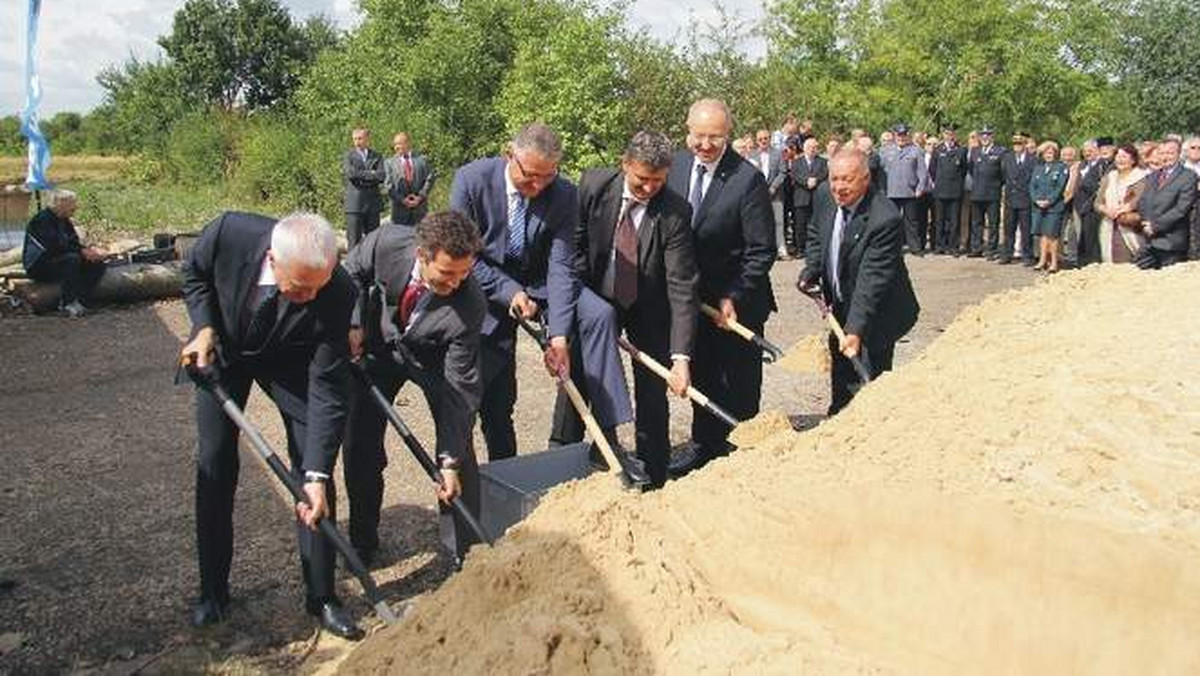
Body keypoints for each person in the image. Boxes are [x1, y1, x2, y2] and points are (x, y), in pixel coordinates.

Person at [179, 211, 362, 639]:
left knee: (315, 469)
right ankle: (213, 592)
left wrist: (316, 473)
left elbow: (328, 387)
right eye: (299, 287)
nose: (309, 295)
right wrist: (203, 326)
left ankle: (322, 597)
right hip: (224, 348)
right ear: (272, 260)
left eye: (318, 286)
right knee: (215, 461)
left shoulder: (337, 291)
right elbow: (194, 273)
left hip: (291, 358)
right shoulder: (228, 233)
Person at [550, 131, 699, 487]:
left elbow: (681, 285)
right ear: (625, 164)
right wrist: (578, 310)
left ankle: (654, 474)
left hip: (649, 304)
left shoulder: (676, 210)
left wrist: (680, 358)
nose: (649, 188)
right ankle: (567, 457)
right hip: (595, 295)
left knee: (652, 388)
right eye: (641, 179)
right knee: (584, 374)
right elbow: (574, 248)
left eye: (658, 181)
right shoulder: (593, 186)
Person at [341, 211, 485, 565]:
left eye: (464, 273)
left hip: (432, 361)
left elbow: (460, 389)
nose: (456, 283)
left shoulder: (469, 304)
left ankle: (464, 553)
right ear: (423, 255)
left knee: (460, 452)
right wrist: (354, 322)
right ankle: (362, 541)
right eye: (447, 273)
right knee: (359, 443)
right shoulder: (385, 243)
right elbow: (349, 275)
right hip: (377, 351)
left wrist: (448, 459)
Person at [449, 123, 583, 462]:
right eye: (530, 175)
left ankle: (504, 477)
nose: (537, 186)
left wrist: (559, 338)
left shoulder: (564, 194)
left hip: (528, 296)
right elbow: (462, 256)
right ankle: (461, 485)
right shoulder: (470, 181)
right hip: (473, 301)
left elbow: (561, 266)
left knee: (500, 405)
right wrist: (508, 291)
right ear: (510, 154)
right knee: (464, 406)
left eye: (547, 176)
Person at [666, 98, 775, 476]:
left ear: (728, 136)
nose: (706, 145)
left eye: (715, 137)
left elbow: (760, 251)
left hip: (735, 300)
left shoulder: (747, 179)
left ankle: (742, 451)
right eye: (699, 136)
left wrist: (735, 295)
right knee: (704, 372)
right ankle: (705, 448)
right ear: (687, 131)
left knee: (738, 380)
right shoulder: (675, 167)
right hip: (692, 300)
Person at [798, 148, 919, 415]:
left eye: (847, 180)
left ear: (866, 179)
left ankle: (871, 430)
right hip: (841, 303)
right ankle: (840, 417)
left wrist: (855, 330)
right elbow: (817, 232)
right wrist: (812, 269)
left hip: (878, 312)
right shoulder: (824, 195)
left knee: (869, 372)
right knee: (842, 369)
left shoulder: (884, 218)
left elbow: (871, 281)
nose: (839, 187)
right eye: (835, 179)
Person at [22, 189, 105, 317]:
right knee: (72, 260)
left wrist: (89, 252)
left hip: (60, 259)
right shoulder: (42, 220)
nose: (75, 208)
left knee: (97, 264)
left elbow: (73, 242)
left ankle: (81, 301)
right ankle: (67, 303)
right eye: (71, 205)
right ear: (59, 204)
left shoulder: (64, 220)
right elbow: (53, 247)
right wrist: (80, 252)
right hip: (39, 265)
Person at [1135, 139, 1197, 269]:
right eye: (1162, 153)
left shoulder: (1188, 176)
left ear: (1179, 154)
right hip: (1149, 240)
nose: (1165, 157)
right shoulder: (1153, 176)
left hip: (1171, 243)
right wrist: (1147, 223)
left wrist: (1155, 226)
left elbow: (1181, 209)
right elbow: (1143, 202)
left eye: (1170, 153)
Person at [1094, 144, 1148, 263]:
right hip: (1109, 224)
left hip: (1130, 226)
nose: (1120, 159)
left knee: (1126, 261)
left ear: (1133, 160)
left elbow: (1141, 198)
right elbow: (1097, 202)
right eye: (1118, 156)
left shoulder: (1141, 177)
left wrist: (1125, 209)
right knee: (1110, 260)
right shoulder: (1110, 177)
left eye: (1124, 156)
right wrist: (1106, 210)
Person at [881, 124, 928, 256]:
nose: (901, 138)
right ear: (894, 136)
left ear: (907, 136)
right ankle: (894, 247)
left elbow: (922, 172)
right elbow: (881, 172)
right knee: (892, 221)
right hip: (891, 192)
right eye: (898, 135)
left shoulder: (916, 150)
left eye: (903, 135)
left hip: (910, 191)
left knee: (911, 221)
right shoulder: (886, 151)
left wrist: (920, 188)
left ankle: (915, 247)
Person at [1028, 141, 1069, 273]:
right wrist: (1036, 200)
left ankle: (1054, 263)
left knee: (1052, 235)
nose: (1048, 155)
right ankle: (1042, 260)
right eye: (1046, 153)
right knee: (1042, 235)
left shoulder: (1061, 167)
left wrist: (1049, 201)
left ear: (1056, 154)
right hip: (1038, 206)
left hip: (1054, 207)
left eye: (1051, 153)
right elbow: (1032, 186)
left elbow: (1060, 187)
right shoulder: (1038, 168)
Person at [968, 126, 1006, 258]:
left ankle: (992, 249)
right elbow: (971, 170)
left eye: (988, 135)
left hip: (992, 193)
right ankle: (976, 248)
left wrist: (996, 185)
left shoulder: (1000, 151)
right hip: (977, 192)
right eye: (982, 135)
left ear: (992, 136)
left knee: (993, 223)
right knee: (976, 223)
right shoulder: (975, 151)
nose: (985, 137)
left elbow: (1003, 174)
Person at [343, 128, 386, 246]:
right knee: (354, 241)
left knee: (373, 241)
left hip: (373, 203)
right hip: (354, 205)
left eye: (360, 139)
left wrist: (362, 175)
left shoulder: (377, 156)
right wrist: (371, 174)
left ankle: (371, 264)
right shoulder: (348, 156)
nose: (357, 142)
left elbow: (381, 176)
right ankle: (353, 264)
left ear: (367, 139)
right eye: (355, 139)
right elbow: (351, 174)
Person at [930, 126, 968, 255]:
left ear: (955, 135)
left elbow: (963, 170)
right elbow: (932, 170)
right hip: (940, 190)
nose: (949, 136)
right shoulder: (938, 149)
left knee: (954, 221)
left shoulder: (961, 150)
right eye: (947, 133)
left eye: (952, 133)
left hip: (955, 190)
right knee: (939, 220)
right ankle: (939, 246)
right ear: (943, 135)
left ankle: (953, 247)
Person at [383, 132, 435, 226]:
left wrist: (420, 197)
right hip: (399, 212)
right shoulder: (389, 163)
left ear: (408, 143)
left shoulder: (422, 160)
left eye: (399, 144)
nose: (396, 147)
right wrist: (403, 200)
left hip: (420, 210)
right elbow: (388, 186)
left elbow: (430, 178)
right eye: (394, 145)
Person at [1000, 132, 1035, 265]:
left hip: (1025, 198)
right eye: (1015, 143)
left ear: (1025, 144)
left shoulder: (1033, 159)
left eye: (1020, 143)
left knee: (1026, 229)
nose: (1017, 146)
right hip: (1011, 197)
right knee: (1009, 228)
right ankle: (1007, 254)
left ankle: (1027, 255)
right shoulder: (1007, 158)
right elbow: (1004, 176)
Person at [791, 136, 829, 257]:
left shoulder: (823, 161)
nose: (813, 149)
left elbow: (825, 174)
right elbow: (794, 175)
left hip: (817, 198)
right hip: (801, 197)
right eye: (810, 147)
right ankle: (801, 249)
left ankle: (816, 249)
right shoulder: (797, 162)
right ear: (804, 148)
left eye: (815, 147)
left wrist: (816, 180)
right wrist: (806, 181)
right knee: (800, 225)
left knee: (816, 224)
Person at [1075, 138, 1111, 265]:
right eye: (1085, 151)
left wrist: (1086, 182)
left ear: (1097, 151)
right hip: (1081, 206)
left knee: (1092, 236)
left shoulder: (1103, 165)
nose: (1087, 153)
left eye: (1091, 150)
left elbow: (1100, 186)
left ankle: (1092, 262)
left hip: (1093, 205)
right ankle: (1083, 261)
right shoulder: (1083, 164)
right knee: (1084, 234)